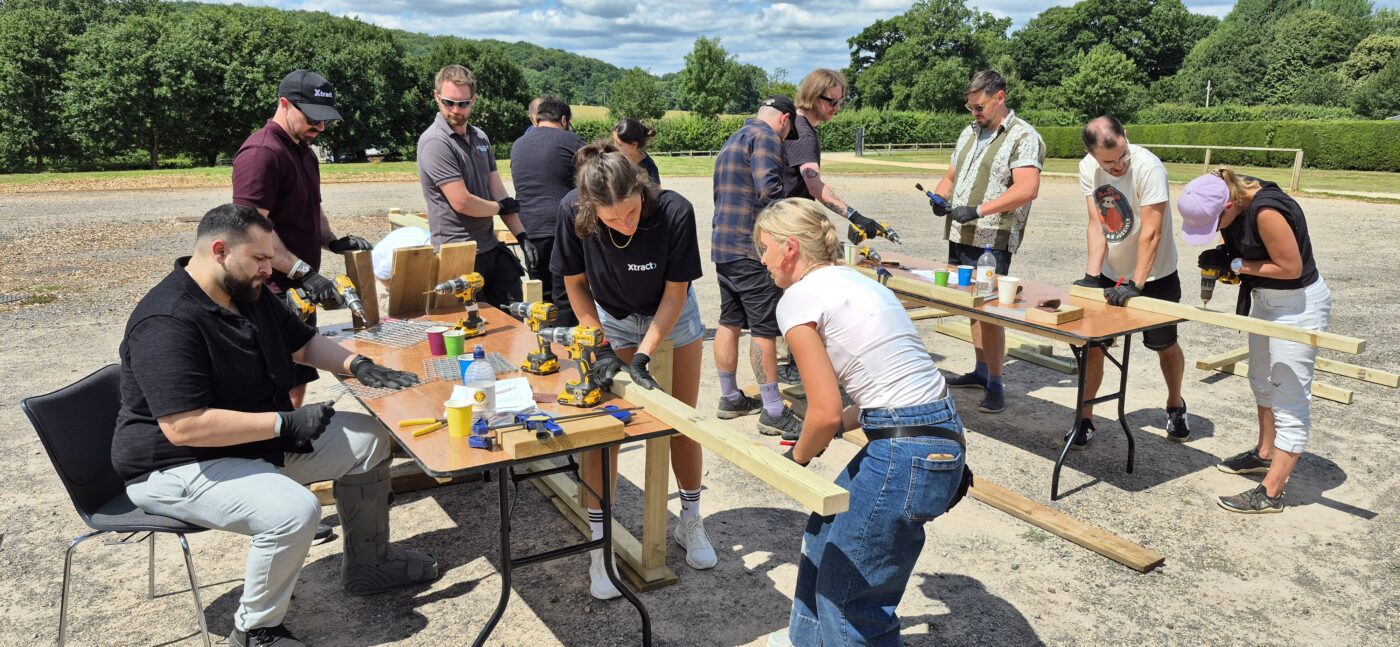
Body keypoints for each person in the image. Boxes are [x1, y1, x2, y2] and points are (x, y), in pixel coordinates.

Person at [116, 204, 438, 647]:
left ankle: (369, 565)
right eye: (260, 260)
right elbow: (184, 427)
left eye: (271, 259)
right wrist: (284, 423)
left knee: (369, 440)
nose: (270, 271)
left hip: (250, 444)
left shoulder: (246, 292)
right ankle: (255, 630)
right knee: (293, 511)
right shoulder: (166, 321)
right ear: (219, 251)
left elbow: (303, 345)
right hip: (176, 465)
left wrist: (356, 364)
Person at [754, 198, 966, 646]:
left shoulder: (798, 298)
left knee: (850, 599)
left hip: (904, 448)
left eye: (765, 247)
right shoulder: (854, 279)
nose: (763, 259)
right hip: (935, 432)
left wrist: (797, 457)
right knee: (822, 538)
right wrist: (825, 432)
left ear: (790, 247)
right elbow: (878, 397)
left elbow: (824, 411)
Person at [551, 142, 716, 598]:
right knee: (608, 427)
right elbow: (574, 284)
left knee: (682, 420)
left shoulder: (674, 211)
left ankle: (691, 521)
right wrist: (603, 345)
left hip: (672, 316)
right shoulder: (572, 212)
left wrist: (643, 355)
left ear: (640, 189)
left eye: (630, 213)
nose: (625, 224)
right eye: (612, 219)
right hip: (612, 317)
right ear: (590, 209)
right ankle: (599, 544)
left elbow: (675, 294)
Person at [1177, 168, 1331, 514]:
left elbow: (1290, 267)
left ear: (1229, 204)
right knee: (1260, 379)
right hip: (1264, 299)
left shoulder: (1267, 211)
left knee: (1290, 396)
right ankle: (1265, 453)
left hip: (1297, 306)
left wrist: (1235, 263)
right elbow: (1243, 247)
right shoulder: (1224, 197)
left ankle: (1272, 493)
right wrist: (1225, 255)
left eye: (1217, 222)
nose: (1217, 229)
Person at [233, 69, 374, 408]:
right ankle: (275, 448)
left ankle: (292, 444)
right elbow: (253, 231)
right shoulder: (261, 154)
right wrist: (304, 272)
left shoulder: (304, 151)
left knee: (298, 375)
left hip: (296, 287)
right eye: (314, 118)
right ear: (285, 104)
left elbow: (311, 209)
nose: (321, 128)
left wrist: (332, 241)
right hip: (269, 290)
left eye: (326, 120)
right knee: (275, 382)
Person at [925, 70, 1044, 415]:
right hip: (960, 234)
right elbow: (951, 176)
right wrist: (939, 196)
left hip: (993, 240)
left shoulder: (1023, 137)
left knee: (991, 312)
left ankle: (995, 381)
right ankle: (980, 370)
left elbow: (1026, 189)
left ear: (1000, 97)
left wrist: (977, 210)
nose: (974, 114)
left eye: (979, 107)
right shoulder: (969, 131)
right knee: (970, 307)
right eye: (971, 108)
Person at [1072, 116, 1191, 449]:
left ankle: (1175, 405)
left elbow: (1151, 232)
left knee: (1164, 346)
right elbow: (1096, 224)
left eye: (1122, 155)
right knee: (1093, 347)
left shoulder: (1149, 168)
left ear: (1125, 137)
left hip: (1156, 275)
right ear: (1092, 154)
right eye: (1109, 161)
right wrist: (1093, 276)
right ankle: (1085, 419)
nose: (1119, 165)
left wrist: (1137, 283)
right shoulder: (1088, 169)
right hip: (1114, 274)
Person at [776, 68, 884, 390]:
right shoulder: (804, 133)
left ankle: (794, 360)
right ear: (812, 95)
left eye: (841, 101)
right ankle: (800, 364)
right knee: (812, 290)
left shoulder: (791, 125)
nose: (837, 108)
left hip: (781, 220)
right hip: (793, 224)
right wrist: (853, 215)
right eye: (831, 101)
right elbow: (813, 182)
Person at [711, 95, 803, 437]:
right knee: (764, 328)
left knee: (729, 320)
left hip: (723, 247)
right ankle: (773, 411)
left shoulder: (733, 138)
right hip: (751, 250)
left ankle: (730, 397)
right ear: (785, 120)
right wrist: (797, 219)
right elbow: (769, 190)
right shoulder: (765, 137)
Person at [417, 64, 535, 309]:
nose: (455, 110)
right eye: (449, 102)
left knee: (515, 319)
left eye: (463, 103)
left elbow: (499, 193)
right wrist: (500, 208)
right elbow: (462, 202)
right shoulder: (435, 142)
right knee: (470, 329)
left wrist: (522, 236)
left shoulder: (480, 137)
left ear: (474, 100)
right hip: (456, 253)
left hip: (489, 247)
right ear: (436, 96)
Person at [510, 96, 585, 325]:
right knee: (568, 295)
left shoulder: (518, 144)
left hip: (529, 230)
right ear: (564, 119)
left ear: (538, 119)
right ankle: (567, 351)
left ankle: (544, 348)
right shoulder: (572, 141)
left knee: (541, 296)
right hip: (563, 228)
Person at [612, 118, 660, 185]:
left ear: (634, 145)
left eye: (619, 144)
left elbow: (657, 194)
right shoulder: (619, 158)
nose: (615, 146)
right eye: (614, 141)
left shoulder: (649, 168)